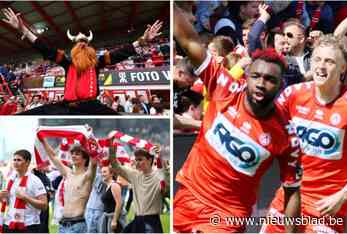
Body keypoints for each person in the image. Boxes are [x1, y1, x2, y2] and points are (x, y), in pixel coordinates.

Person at [173, 5, 301, 233]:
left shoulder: (286, 133)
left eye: (270, 79)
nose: (261, 83)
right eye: (256, 76)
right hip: (187, 198)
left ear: (280, 85)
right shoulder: (225, 87)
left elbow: (292, 190)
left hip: (225, 217)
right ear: (247, 76)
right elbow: (189, 40)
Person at [262, 35, 347, 233]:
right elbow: (263, 121)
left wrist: (343, 196)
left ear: (343, 68)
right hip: (288, 198)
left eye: (329, 61)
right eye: (317, 59)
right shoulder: (294, 94)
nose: (321, 66)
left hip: (325, 208)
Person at [1, 8, 162, 115]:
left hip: (93, 106)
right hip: (66, 107)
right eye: (79, 44)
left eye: (85, 43)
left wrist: (141, 40)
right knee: (25, 116)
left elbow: (120, 53)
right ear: (74, 49)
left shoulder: (97, 63)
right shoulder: (67, 63)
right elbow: (46, 48)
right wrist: (23, 30)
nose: (82, 45)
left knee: (121, 119)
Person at [39, 139, 97, 233]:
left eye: (77, 154)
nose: (73, 156)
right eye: (72, 153)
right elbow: (53, 156)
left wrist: (92, 146)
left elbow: (93, 164)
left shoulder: (87, 176)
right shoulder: (68, 173)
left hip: (77, 225)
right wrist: (43, 141)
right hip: (62, 224)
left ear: (85, 158)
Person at [109, 146, 169, 233]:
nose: (137, 163)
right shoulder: (135, 175)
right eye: (136, 160)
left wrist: (161, 158)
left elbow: (166, 181)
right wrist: (112, 152)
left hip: (151, 222)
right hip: (137, 220)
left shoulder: (158, 176)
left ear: (149, 160)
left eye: (140, 160)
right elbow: (116, 166)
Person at [0, 150, 48, 233]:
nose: (15, 162)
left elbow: (44, 205)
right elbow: (8, 203)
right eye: (14, 160)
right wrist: (1, 197)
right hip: (9, 224)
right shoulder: (10, 179)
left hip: (29, 226)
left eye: (19, 160)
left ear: (27, 162)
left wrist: (25, 197)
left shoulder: (35, 180)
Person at [99, 166, 122, 233]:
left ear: (111, 174)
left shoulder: (114, 185)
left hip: (114, 219)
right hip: (107, 217)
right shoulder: (107, 186)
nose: (102, 174)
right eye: (101, 172)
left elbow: (119, 203)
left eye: (105, 172)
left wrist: (114, 220)